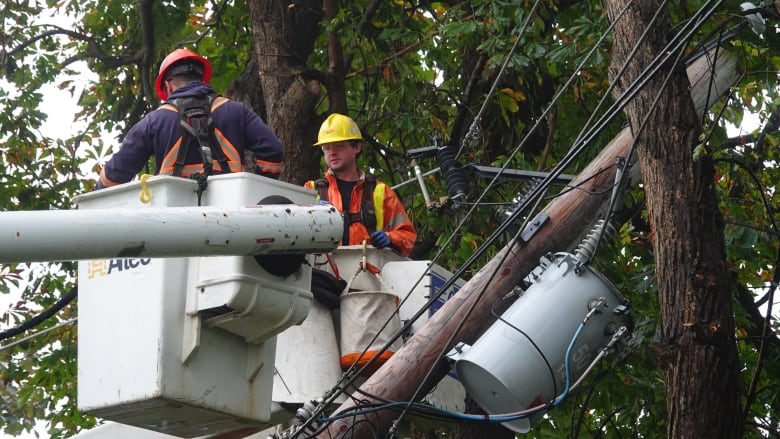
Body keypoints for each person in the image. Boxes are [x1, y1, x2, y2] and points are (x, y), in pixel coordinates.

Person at [96, 48, 283, 188]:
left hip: (175, 225)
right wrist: (254, 189)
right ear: (202, 80)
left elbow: (114, 175)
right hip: (232, 221)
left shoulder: (154, 121)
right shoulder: (236, 111)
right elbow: (273, 151)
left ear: (168, 86)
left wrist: (94, 200)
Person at [305, 113, 416, 257]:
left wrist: (390, 238)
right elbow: (292, 235)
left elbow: (407, 235)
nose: (332, 153)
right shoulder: (311, 190)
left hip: (369, 271)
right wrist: (308, 216)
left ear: (357, 147)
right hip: (324, 272)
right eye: (326, 148)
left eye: (339, 146)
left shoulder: (380, 192)